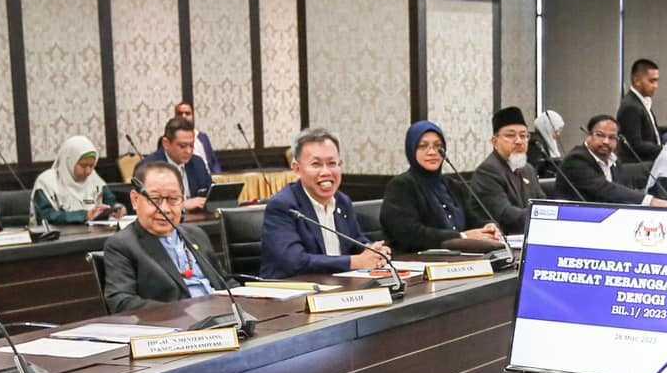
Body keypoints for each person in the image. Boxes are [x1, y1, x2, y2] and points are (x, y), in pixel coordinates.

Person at [102, 160, 232, 313]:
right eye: (154, 200)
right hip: (176, 326)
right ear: (135, 200)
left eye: (173, 199)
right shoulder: (122, 245)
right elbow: (121, 302)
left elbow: (225, 282)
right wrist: (181, 312)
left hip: (222, 318)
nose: (164, 209)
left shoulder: (196, 235)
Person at [259, 128, 391, 278]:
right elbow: (294, 261)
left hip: (338, 287)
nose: (326, 172)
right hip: (291, 292)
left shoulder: (342, 201)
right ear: (297, 169)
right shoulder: (283, 206)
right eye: (316, 164)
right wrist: (354, 262)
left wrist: (372, 251)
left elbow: (355, 241)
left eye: (332, 163)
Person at [381, 122, 507, 254]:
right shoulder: (401, 186)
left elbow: (474, 218)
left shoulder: (453, 185)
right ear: (411, 150)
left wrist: (488, 227)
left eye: (438, 146)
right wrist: (462, 237)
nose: (432, 152)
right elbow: (409, 233)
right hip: (417, 261)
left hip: (461, 258)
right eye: (423, 146)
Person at [30, 134, 123, 226]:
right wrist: (85, 215)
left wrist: (117, 209)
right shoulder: (47, 182)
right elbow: (46, 216)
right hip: (58, 238)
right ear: (69, 161)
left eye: (92, 166)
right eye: (83, 165)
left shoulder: (93, 178)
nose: (88, 171)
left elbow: (110, 201)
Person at [471, 107, 536, 234]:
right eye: (510, 135)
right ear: (494, 142)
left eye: (523, 136)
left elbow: (541, 202)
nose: (519, 141)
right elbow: (506, 214)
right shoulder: (488, 171)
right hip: (501, 242)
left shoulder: (528, 169)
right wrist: (542, 217)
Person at [561, 114, 643, 204]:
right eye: (600, 135)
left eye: (612, 137)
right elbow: (605, 190)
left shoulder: (614, 161)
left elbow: (626, 190)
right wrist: (647, 200)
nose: (606, 142)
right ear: (588, 135)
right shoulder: (576, 160)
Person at [156, 115, 215, 209]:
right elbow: (149, 206)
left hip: (198, 220)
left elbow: (210, 194)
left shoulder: (197, 163)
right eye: (182, 146)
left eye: (191, 145)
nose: (188, 151)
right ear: (166, 143)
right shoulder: (150, 168)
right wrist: (182, 205)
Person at [617, 58, 664, 162]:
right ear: (637, 80)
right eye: (652, 81)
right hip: (640, 167)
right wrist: (665, 149)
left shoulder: (641, 101)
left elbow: (649, 132)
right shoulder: (631, 106)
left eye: (657, 81)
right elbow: (636, 144)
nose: (656, 86)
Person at [173, 100, 221, 174]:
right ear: (175, 117)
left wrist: (219, 177)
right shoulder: (171, 139)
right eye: (180, 113)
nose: (184, 116)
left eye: (187, 113)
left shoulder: (202, 137)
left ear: (193, 116)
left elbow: (213, 162)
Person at [528, 109, 564, 176]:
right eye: (556, 130)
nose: (558, 134)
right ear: (548, 127)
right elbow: (534, 172)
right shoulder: (535, 144)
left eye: (560, 130)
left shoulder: (548, 143)